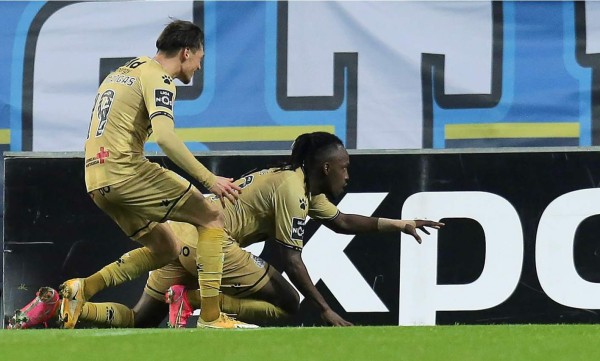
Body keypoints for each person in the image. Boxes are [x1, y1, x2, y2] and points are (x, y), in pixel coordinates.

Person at [10, 132, 443, 328]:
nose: (349, 175)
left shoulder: (296, 183)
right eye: (345, 167)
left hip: (180, 234)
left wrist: (399, 224)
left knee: (139, 323)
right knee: (289, 303)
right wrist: (326, 310)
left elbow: (343, 221)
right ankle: (196, 301)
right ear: (326, 167)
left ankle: (60, 308)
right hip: (211, 246)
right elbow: (291, 258)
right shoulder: (292, 191)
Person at [63, 19, 251, 330]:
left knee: (167, 248)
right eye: (200, 59)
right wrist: (209, 180)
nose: (199, 68)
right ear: (187, 52)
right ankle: (211, 317)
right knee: (212, 216)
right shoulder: (160, 78)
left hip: (96, 178)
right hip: (125, 171)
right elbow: (165, 137)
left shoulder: (124, 72)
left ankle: (83, 289)